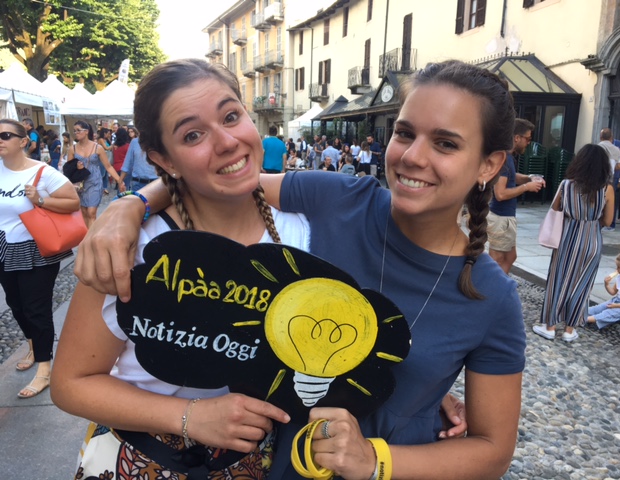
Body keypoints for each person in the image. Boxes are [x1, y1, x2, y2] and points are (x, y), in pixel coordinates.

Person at [73, 59, 524, 479]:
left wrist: (380, 454)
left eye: (445, 143)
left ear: (489, 164)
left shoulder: (492, 297)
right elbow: (221, 181)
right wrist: (129, 207)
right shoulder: (337, 201)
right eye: (405, 133)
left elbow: (494, 450)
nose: (413, 156)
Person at [51, 59, 310, 480]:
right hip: (145, 459)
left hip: (261, 460)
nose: (226, 141)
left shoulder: (305, 228)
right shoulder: (128, 247)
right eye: (193, 135)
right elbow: (71, 383)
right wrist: (191, 416)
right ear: (163, 159)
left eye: (231, 116)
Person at [0, 118, 80, 398]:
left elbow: (73, 202)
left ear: (23, 141)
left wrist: (40, 200)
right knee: (15, 305)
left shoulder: (43, 172)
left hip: (35, 248)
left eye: (5, 135)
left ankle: (44, 368)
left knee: (37, 309)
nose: (0, 140)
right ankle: (34, 346)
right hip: (4, 247)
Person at [534, 144, 615, 342]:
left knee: (558, 279)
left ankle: (550, 327)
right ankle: (569, 331)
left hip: (567, 238)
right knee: (582, 284)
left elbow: (556, 209)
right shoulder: (607, 189)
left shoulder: (566, 185)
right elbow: (607, 220)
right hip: (592, 241)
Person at [487, 118, 545, 274]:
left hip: (505, 217)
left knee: (510, 256)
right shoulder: (504, 159)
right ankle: (492, 286)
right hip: (501, 218)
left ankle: (499, 283)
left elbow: (511, 177)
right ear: (517, 138)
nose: (528, 143)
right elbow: (500, 194)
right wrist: (527, 187)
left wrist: (529, 178)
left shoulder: (508, 157)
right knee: (496, 260)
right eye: (527, 139)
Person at [67, 120, 124, 228]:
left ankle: (91, 237)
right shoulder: (72, 149)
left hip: (94, 181)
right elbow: (68, 169)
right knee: (84, 212)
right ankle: (88, 235)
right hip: (80, 183)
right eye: (74, 131)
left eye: (78, 130)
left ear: (86, 131)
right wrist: (76, 167)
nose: (76, 133)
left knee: (91, 212)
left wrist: (119, 181)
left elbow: (108, 166)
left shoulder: (98, 147)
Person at [586, 251, 620, 329]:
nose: (616, 269)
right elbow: (613, 292)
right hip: (617, 300)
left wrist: (617, 306)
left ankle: (584, 319)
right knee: (599, 307)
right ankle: (578, 313)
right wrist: (606, 284)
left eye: (619, 267)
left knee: (609, 313)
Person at [598, 128, 620, 232]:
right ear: (611, 138)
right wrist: (611, 167)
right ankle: (610, 224)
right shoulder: (617, 149)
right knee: (610, 200)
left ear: (600, 137)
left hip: (597, 177)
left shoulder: (597, 147)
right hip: (610, 178)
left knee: (596, 198)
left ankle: (597, 221)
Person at [96, 128, 113, 195]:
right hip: (101, 158)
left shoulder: (107, 139)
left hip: (107, 158)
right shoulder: (101, 140)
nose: (108, 135)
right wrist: (112, 145)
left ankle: (104, 188)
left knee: (106, 174)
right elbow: (106, 148)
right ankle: (100, 187)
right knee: (102, 173)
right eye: (107, 133)